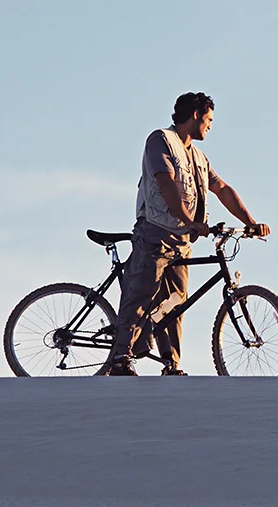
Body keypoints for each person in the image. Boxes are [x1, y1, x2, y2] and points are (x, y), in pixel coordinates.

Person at [107, 92, 268, 376]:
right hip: (155, 234)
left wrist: (251, 222)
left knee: (176, 302)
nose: (210, 125)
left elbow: (222, 189)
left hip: (181, 241)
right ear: (195, 115)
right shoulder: (160, 141)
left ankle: (171, 363)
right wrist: (189, 219)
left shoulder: (198, 157)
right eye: (208, 119)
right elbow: (166, 182)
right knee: (140, 293)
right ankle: (121, 356)